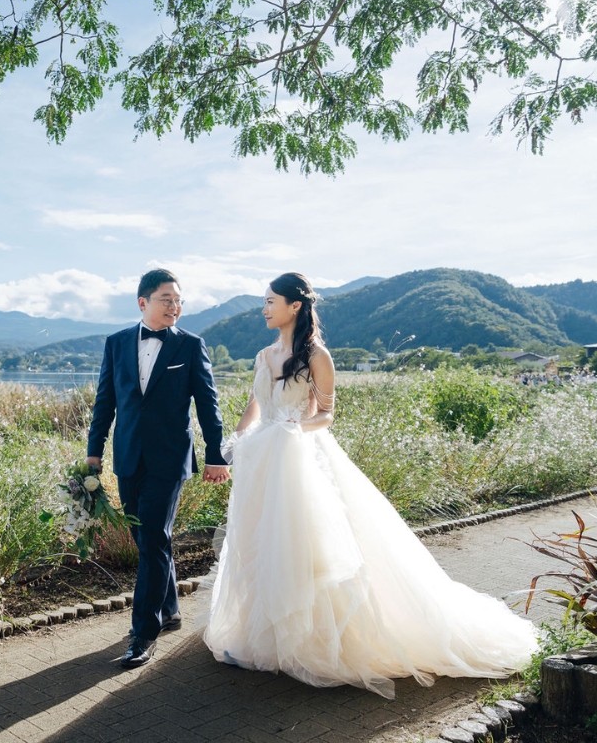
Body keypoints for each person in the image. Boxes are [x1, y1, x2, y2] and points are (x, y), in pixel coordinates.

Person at [203, 273, 538, 698]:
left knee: (309, 549)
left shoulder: (316, 355)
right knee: (259, 544)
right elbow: (254, 405)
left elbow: (326, 414)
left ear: (295, 307)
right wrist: (235, 444)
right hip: (262, 461)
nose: (265, 309)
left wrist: (294, 429)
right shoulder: (262, 354)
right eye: (264, 302)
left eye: (271, 301)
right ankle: (260, 636)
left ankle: (316, 641)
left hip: (297, 457)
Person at [87, 268, 230, 668]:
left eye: (179, 300)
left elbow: (208, 404)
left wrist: (216, 454)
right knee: (150, 540)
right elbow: (106, 402)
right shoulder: (116, 344)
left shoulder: (190, 346)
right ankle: (169, 610)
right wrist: (93, 452)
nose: (175, 306)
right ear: (143, 302)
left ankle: (144, 634)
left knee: (152, 536)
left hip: (170, 459)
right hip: (129, 456)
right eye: (167, 299)